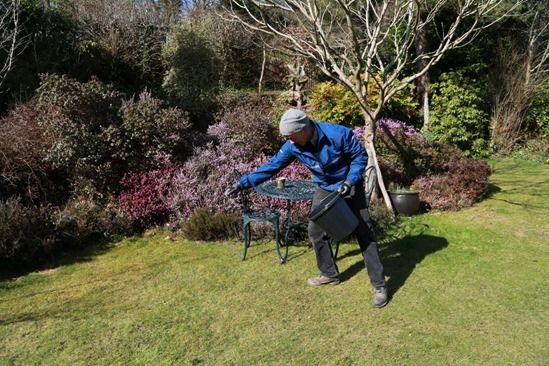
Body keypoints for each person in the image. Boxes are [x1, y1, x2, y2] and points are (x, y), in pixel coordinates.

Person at [225, 109, 388, 308]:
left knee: (364, 232)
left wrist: (350, 180)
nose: (289, 141)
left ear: (304, 129)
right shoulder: (292, 146)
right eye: (287, 137)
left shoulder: (338, 134)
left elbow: (359, 157)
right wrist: (243, 183)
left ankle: (379, 286)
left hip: (349, 185)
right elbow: (272, 166)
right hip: (324, 188)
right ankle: (329, 274)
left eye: (291, 136)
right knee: (315, 231)